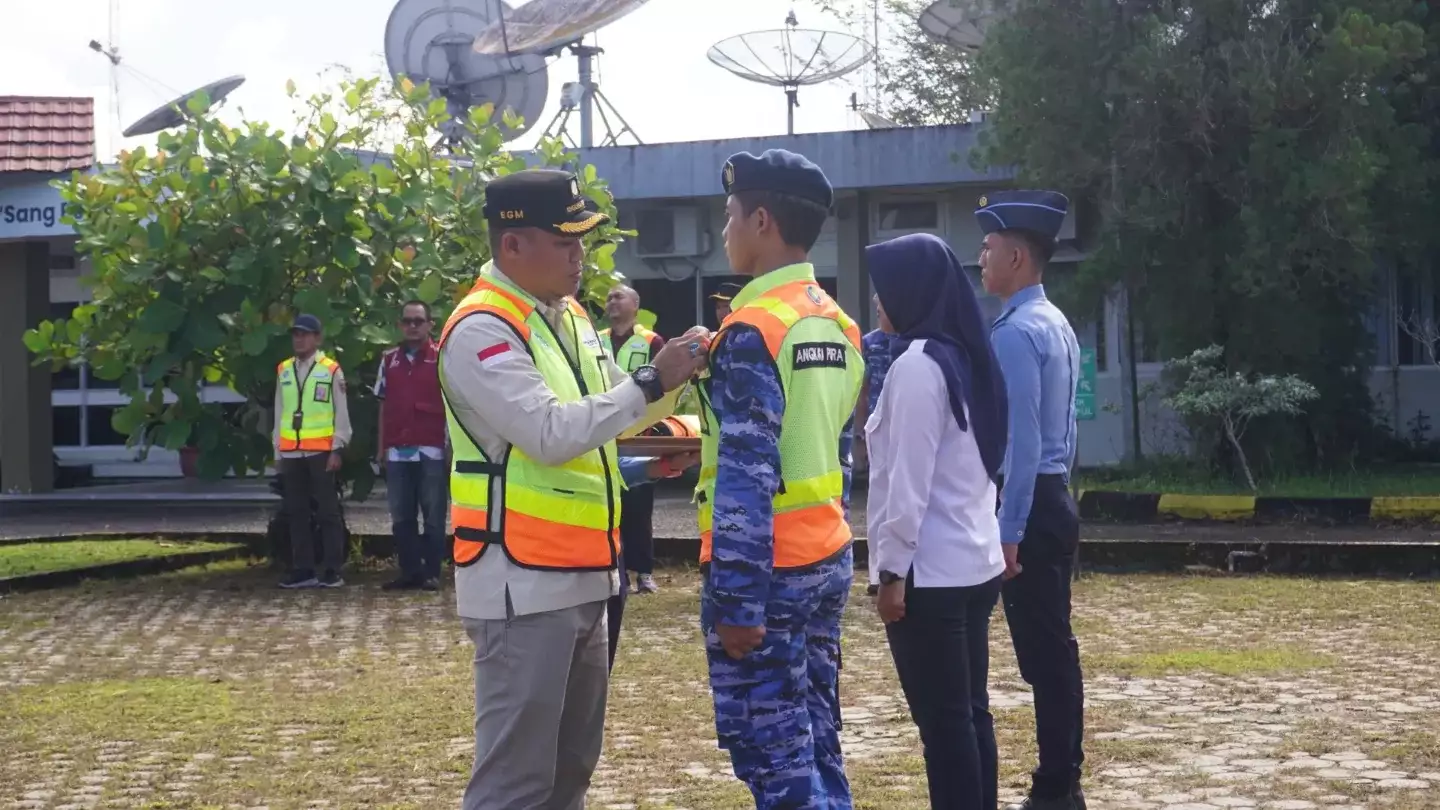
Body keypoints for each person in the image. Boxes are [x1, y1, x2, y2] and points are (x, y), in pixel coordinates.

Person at [438, 168, 709, 810]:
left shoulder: (569, 317)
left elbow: (611, 411)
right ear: (512, 247)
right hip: (522, 583)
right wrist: (649, 382)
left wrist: (664, 407)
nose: (579, 256)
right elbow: (552, 434)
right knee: (515, 782)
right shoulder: (481, 328)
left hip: (588, 574)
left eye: (582, 240)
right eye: (564, 242)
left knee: (570, 773)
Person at [697, 149, 863, 809]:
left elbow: (747, 473)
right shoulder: (836, 322)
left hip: (767, 574)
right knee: (817, 736)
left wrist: (737, 601)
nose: (725, 230)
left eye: (731, 216)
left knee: (773, 756)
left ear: (761, 220)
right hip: (826, 554)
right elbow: (832, 447)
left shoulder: (752, 330)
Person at [866, 233, 1010, 810]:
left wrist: (891, 573)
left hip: (931, 574)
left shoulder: (920, 366)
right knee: (969, 716)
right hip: (974, 562)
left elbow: (908, 484)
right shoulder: (965, 356)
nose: (878, 302)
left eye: (885, 290)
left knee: (945, 727)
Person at [977, 190, 1087, 810]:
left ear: (1017, 256)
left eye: (989, 249)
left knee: (1044, 655)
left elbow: (1019, 443)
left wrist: (1008, 528)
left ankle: (1056, 786)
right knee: (1054, 649)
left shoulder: (1017, 334)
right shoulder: (1055, 321)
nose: (982, 258)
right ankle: (1062, 775)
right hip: (1053, 494)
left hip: (1030, 501)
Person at [273, 314, 352, 589]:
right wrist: (277, 452)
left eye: (305, 334)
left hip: (321, 451)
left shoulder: (330, 369)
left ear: (317, 338)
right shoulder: (283, 369)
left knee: (328, 512)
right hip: (292, 452)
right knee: (296, 512)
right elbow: (279, 412)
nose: (299, 338)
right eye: (296, 334)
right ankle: (303, 568)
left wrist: (337, 447)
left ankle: (332, 569)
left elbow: (341, 412)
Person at [374, 300, 448, 592]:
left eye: (419, 321)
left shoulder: (442, 358)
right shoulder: (389, 360)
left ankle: (431, 573)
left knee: (433, 516)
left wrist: (450, 448)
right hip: (397, 450)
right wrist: (381, 448)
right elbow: (382, 407)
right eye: (408, 321)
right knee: (401, 516)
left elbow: (453, 405)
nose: (413, 326)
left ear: (430, 325)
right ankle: (409, 572)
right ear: (400, 325)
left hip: (431, 449)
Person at [607, 451, 699, 671]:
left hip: (602, 565)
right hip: (543, 572)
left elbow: (608, 465)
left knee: (592, 678)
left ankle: (641, 575)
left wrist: (662, 466)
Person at [601, 285, 666, 595]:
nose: (612, 301)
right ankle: (615, 568)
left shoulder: (651, 341)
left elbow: (662, 384)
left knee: (639, 506)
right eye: (610, 297)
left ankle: (643, 572)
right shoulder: (595, 340)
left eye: (619, 296)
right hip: (602, 430)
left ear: (635, 306)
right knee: (607, 505)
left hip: (640, 432)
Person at [857, 316, 898, 596]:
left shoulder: (918, 342)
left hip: (910, 427)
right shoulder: (870, 343)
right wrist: (860, 436)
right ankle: (876, 573)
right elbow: (862, 391)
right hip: (879, 430)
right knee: (879, 504)